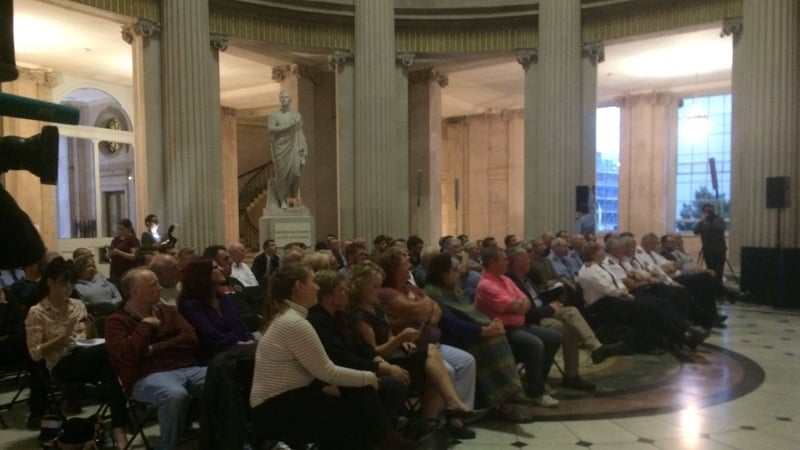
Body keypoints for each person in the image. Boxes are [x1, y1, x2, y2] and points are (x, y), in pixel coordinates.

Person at [250, 264, 409, 450]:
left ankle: (387, 441)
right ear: (299, 287)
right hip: (277, 407)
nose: (317, 288)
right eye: (312, 282)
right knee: (355, 409)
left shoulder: (290, 317)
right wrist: (368, 377)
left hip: (287, 399)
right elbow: (327, 372)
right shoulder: (294, 323)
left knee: (359, 396)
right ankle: (387, 442)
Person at [347, 261, 484, 438]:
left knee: (434, 363)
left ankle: (430, 423)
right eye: (373, 287)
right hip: (382, 362)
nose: (377, 290)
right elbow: (374, 353)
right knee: (432, 357)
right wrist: (401, 338)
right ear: (361, 287)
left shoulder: (375, 308)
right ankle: (450, 406)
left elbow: (389, 335)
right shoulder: (359, 317)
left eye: (378, 285)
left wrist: (402, 342)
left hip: (394, 353)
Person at [25, 257, 129, 448]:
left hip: (85, 355)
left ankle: (118, 426)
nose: (69, 289)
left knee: (111, 370)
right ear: (50, 282)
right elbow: (35, 354)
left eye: (71, 284)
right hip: (60, 364)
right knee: (112, 349)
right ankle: (120, 427)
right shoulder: (37, 312)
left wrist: (90, 331)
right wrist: (62, 339)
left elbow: (85, 338)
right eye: (64, 284)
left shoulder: (77, 305)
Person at [423, 254, 536, 423]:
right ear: (442, 273)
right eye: (454, 270)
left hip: (471, 331)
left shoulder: (454, 288)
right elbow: (451, 323)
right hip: (452, 337)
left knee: (498, 337)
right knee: (493, 341)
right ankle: (505, 398)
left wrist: (490, 325)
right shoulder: (433, 292)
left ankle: (508, 396)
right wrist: (482, 330)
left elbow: (471, 312)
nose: (459, 273)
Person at [105, 268, 206, 450]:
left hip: (185, 367)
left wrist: (152, 349)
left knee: (224, 377)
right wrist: (144, 326)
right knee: (175, 395)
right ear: (135, 292)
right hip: (145, 376)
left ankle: (227, 440)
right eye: (153, 285)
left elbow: (190, 337)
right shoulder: (116, 321)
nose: (160, 288)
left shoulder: (168, 311)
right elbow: (128, 356)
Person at [308, 270, 409, 428]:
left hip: (354, 368)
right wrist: (379, 369)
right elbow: (341, 357)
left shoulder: (339, 315)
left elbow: (362, 346)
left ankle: (387, 430)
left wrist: (382, 363)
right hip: (337, 376)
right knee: (392, 384)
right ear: (328, 297)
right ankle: (381, 435)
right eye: (341, 290)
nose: (346, 292)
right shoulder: (318, 321)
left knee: (398, 376)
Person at [474, 246, 561, 407]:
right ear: (493, 262)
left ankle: (538, 381)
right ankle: (536, 393)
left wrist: (519, 305)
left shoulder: (505, 279)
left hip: (519, 325)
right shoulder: (485, 285)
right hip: (502, 332)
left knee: (554, 337)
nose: (507, 262)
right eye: (504, 259)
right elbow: (513, 306)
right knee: (535, 344)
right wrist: (519, 305)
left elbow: (525, 301)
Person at [178, 259, 254, 365]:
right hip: (215, 356)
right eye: (215, 268)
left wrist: (249, 339)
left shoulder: (225, 299)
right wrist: (239, 345)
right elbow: (210, 335)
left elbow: (241, 324)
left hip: (241, 350)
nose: (221, 269)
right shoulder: (191, 305)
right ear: (202, 275)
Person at [268, 89, 307, 209]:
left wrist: (303, 153)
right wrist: (288, 126)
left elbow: (299, 133)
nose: (284, 100)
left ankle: (293, 200)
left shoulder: (296, 115)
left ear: (290, 100)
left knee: (295, 173)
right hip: (280, 148)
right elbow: (271, 129)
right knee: (281, 176)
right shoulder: (274, 115)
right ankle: (282, 200)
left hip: (294, 147)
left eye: (286, 98)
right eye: (282, 98)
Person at [693, 203, 727, 284]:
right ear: (703, 211)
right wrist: (702, 221)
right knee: (711, 271)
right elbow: (695, 231)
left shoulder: (719, 220)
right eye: (707, 211)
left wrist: (707, 223)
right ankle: (713, 288)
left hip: (719, 250)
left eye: (711, 210)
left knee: (719, 272)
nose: (710, 212)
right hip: (708, 250)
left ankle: (720, 289)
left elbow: (720, 228)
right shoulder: (703, 222)